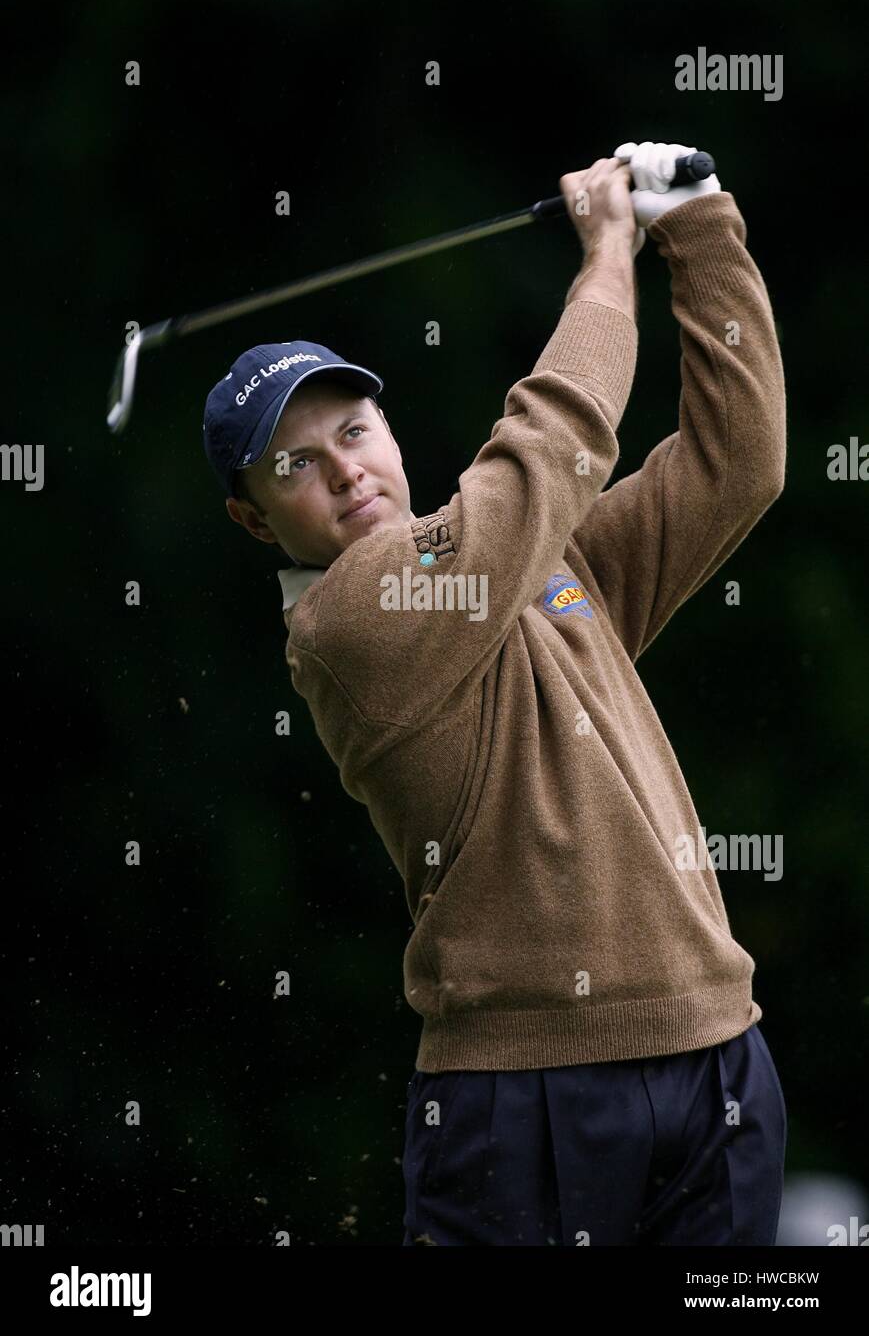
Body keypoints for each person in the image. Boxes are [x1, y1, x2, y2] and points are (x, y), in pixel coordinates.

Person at [202, 142, 788, 1246]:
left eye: (352, 432)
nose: (342, 472)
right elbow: (552, 445)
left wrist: (701, 228)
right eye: (293, 467)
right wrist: (609, 250)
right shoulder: (347, 620)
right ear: (254, 520)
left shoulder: (540, 567)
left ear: (388, 429)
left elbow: (737, 463)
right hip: (524, 1094)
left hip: (714, 1054)